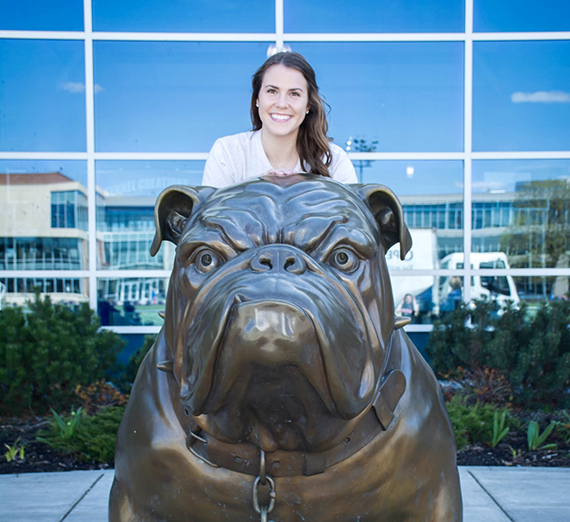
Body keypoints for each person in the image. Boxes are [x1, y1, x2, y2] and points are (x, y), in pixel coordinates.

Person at [201, 51, 357, 187]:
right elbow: (209, 220)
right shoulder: (228, 152)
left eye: (294, 94)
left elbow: (352, 219)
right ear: (257, 99)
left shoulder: (334, 161)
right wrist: (259, 188)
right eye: (272, 91)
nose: (282, 104)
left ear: (308, 104)